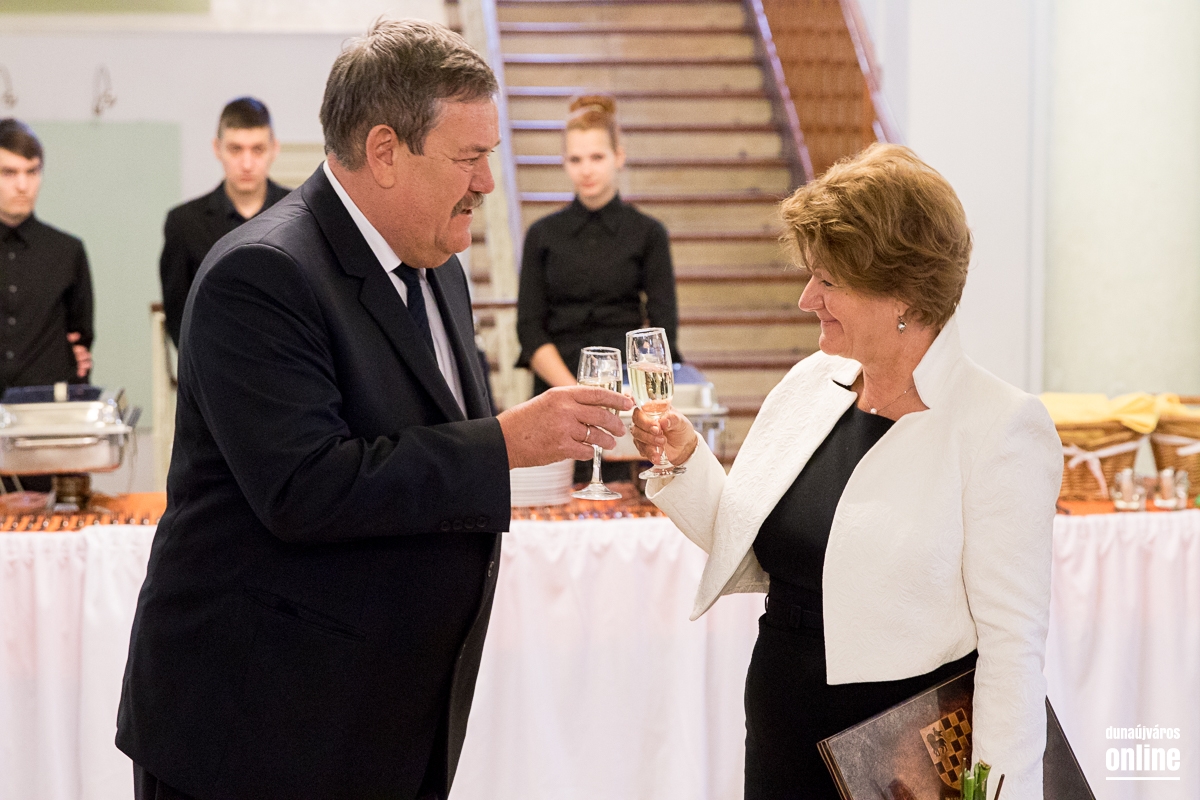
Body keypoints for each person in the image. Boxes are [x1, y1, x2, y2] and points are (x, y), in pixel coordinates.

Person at [117, 20, 631, 800]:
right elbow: (306, 488)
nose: (487, 182)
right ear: (385, 151)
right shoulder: (262, 274)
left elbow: (424, 441)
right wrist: (502, 444)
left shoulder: (437, 260)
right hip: (258, 730)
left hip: (380, 718)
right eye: (469, 157)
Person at [632, 144, 1062, 799]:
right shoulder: (810, 384)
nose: (808, 299)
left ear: (902, 293)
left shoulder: (1000, 426)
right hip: (781, 723)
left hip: (903, 756)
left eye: (828, 281)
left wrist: (997, 791)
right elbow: (754, 541)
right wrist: (688, 460)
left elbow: (1013, 648)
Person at [516, 94, 680, 396]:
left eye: (597, 157)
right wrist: (577, 393)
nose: (586, 170)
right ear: (564, 162)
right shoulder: (541, 234)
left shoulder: (648, 232)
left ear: (618, 157)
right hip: (557, 388)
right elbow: (529, 329)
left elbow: (663, 328)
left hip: (629, 386)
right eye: (575, 160)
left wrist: (625, 392)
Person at [158, 97, 289, 347]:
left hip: (289, 360)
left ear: (274, 149)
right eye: (235, 149)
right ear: (217, 148)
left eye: (257, 149)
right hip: (212, 360)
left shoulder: (302, 215)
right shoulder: (184, 223)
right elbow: (179, 315)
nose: (247, 164)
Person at [0, 118, 93, 396]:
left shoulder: (67, 250)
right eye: (8, 173)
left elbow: (81, 335)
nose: (23, 185)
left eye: (32, 172)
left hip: (46, 404)